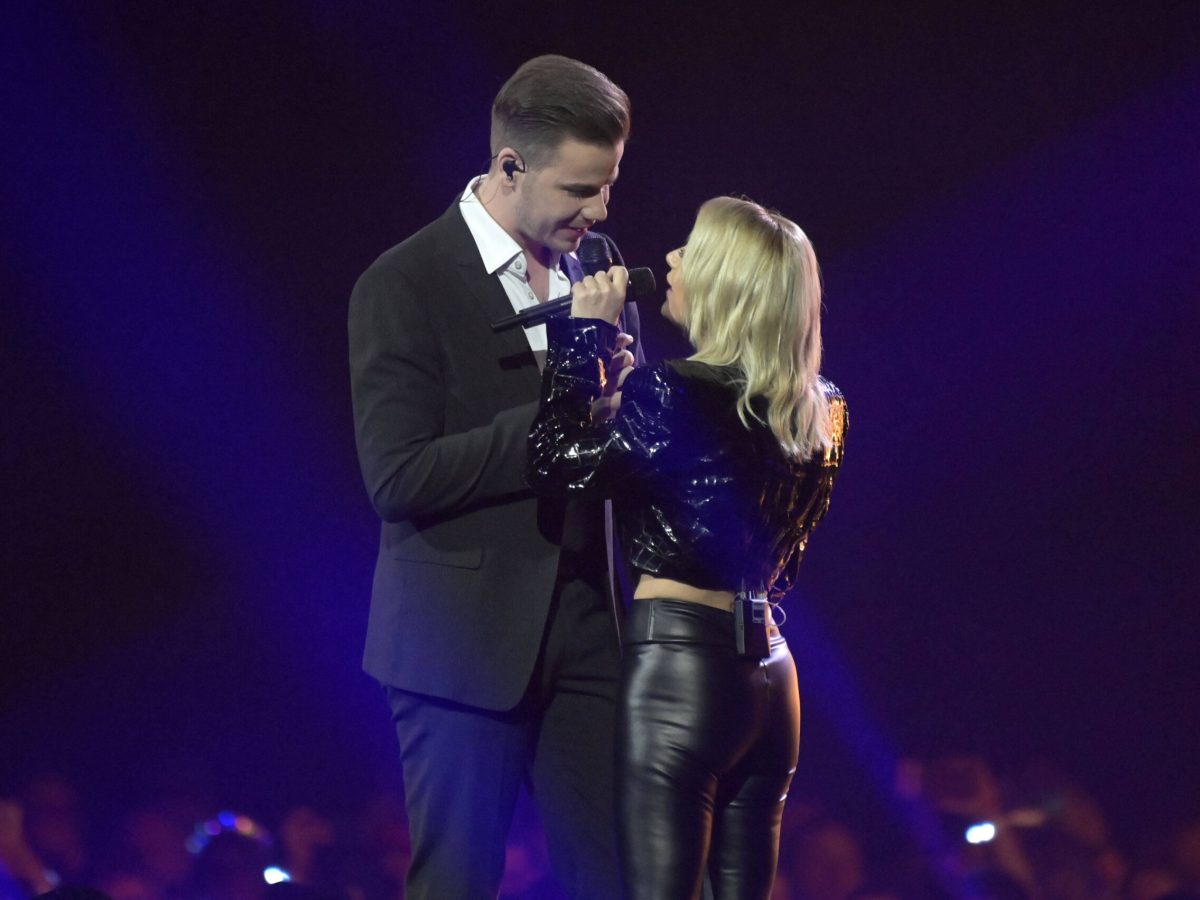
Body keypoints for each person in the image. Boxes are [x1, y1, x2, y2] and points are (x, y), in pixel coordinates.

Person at [348, 55, 641, 900]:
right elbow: (399, 476)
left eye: (610, 184)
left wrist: (628, 410)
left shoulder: (597, 261)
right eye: (580, 189)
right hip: (459, 642)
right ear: (510, 166)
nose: (601, 210)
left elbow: (619, 438)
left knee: (620, 880)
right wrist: (564, 406)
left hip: (590, 629)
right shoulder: (404, 283)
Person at [528, 195, 848, 899]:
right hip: (770, 668)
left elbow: (553, 463)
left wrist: (581, 341)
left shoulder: (669, 391)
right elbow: (787, 549)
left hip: (680, 667)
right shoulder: (822, 408)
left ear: (725, 283)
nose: (669, 260)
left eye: (689, 251)